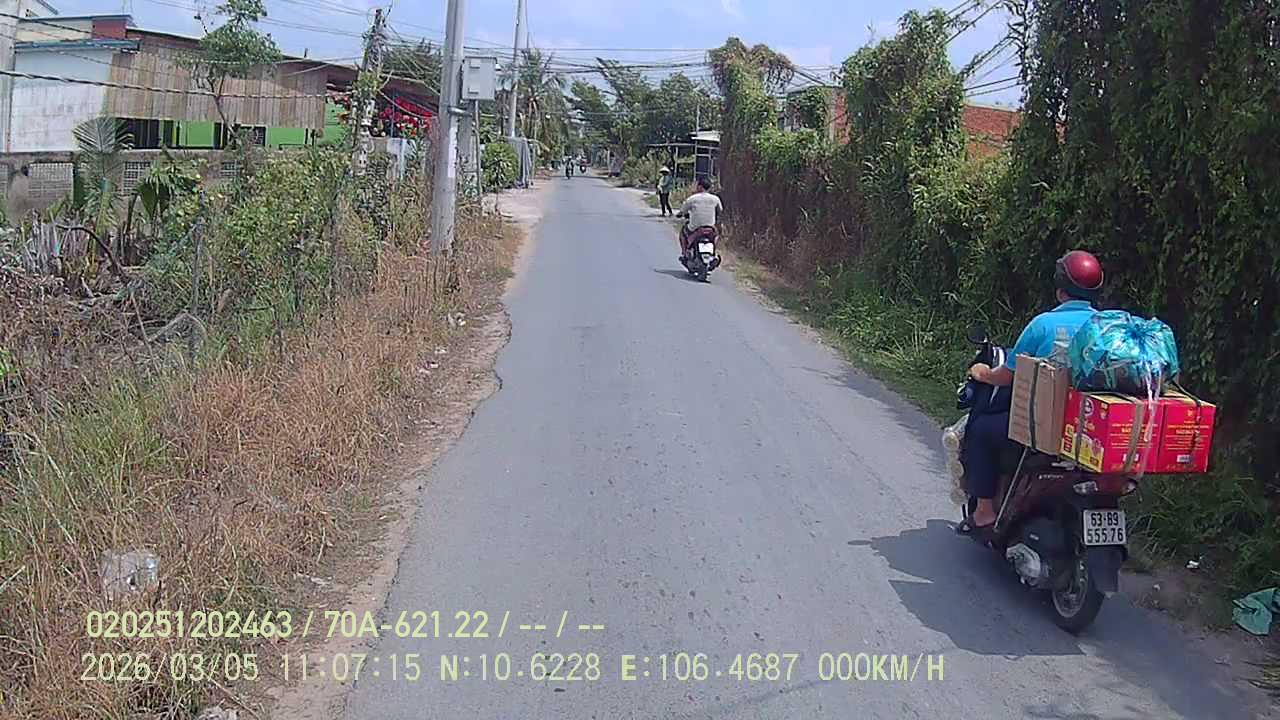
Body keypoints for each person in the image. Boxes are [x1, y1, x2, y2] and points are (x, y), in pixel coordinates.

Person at [958, 250, 1105, 533]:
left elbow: (1007, 375)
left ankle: (984, 512)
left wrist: (982, 372)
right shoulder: (1106, 327)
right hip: (1090, 427)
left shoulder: (1044, 324)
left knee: (981, 430)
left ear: (1060, 290)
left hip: (1046, 427)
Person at [676, 176, 722, 261]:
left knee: (682, 233)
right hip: (710, 228)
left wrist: (679, 215)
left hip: (695, 228)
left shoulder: (692, 199)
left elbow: (682, 211)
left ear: (700, 186)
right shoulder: (715, 199)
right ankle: (714, 253)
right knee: (716, 235)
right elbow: (720, 210)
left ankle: (684, 253)